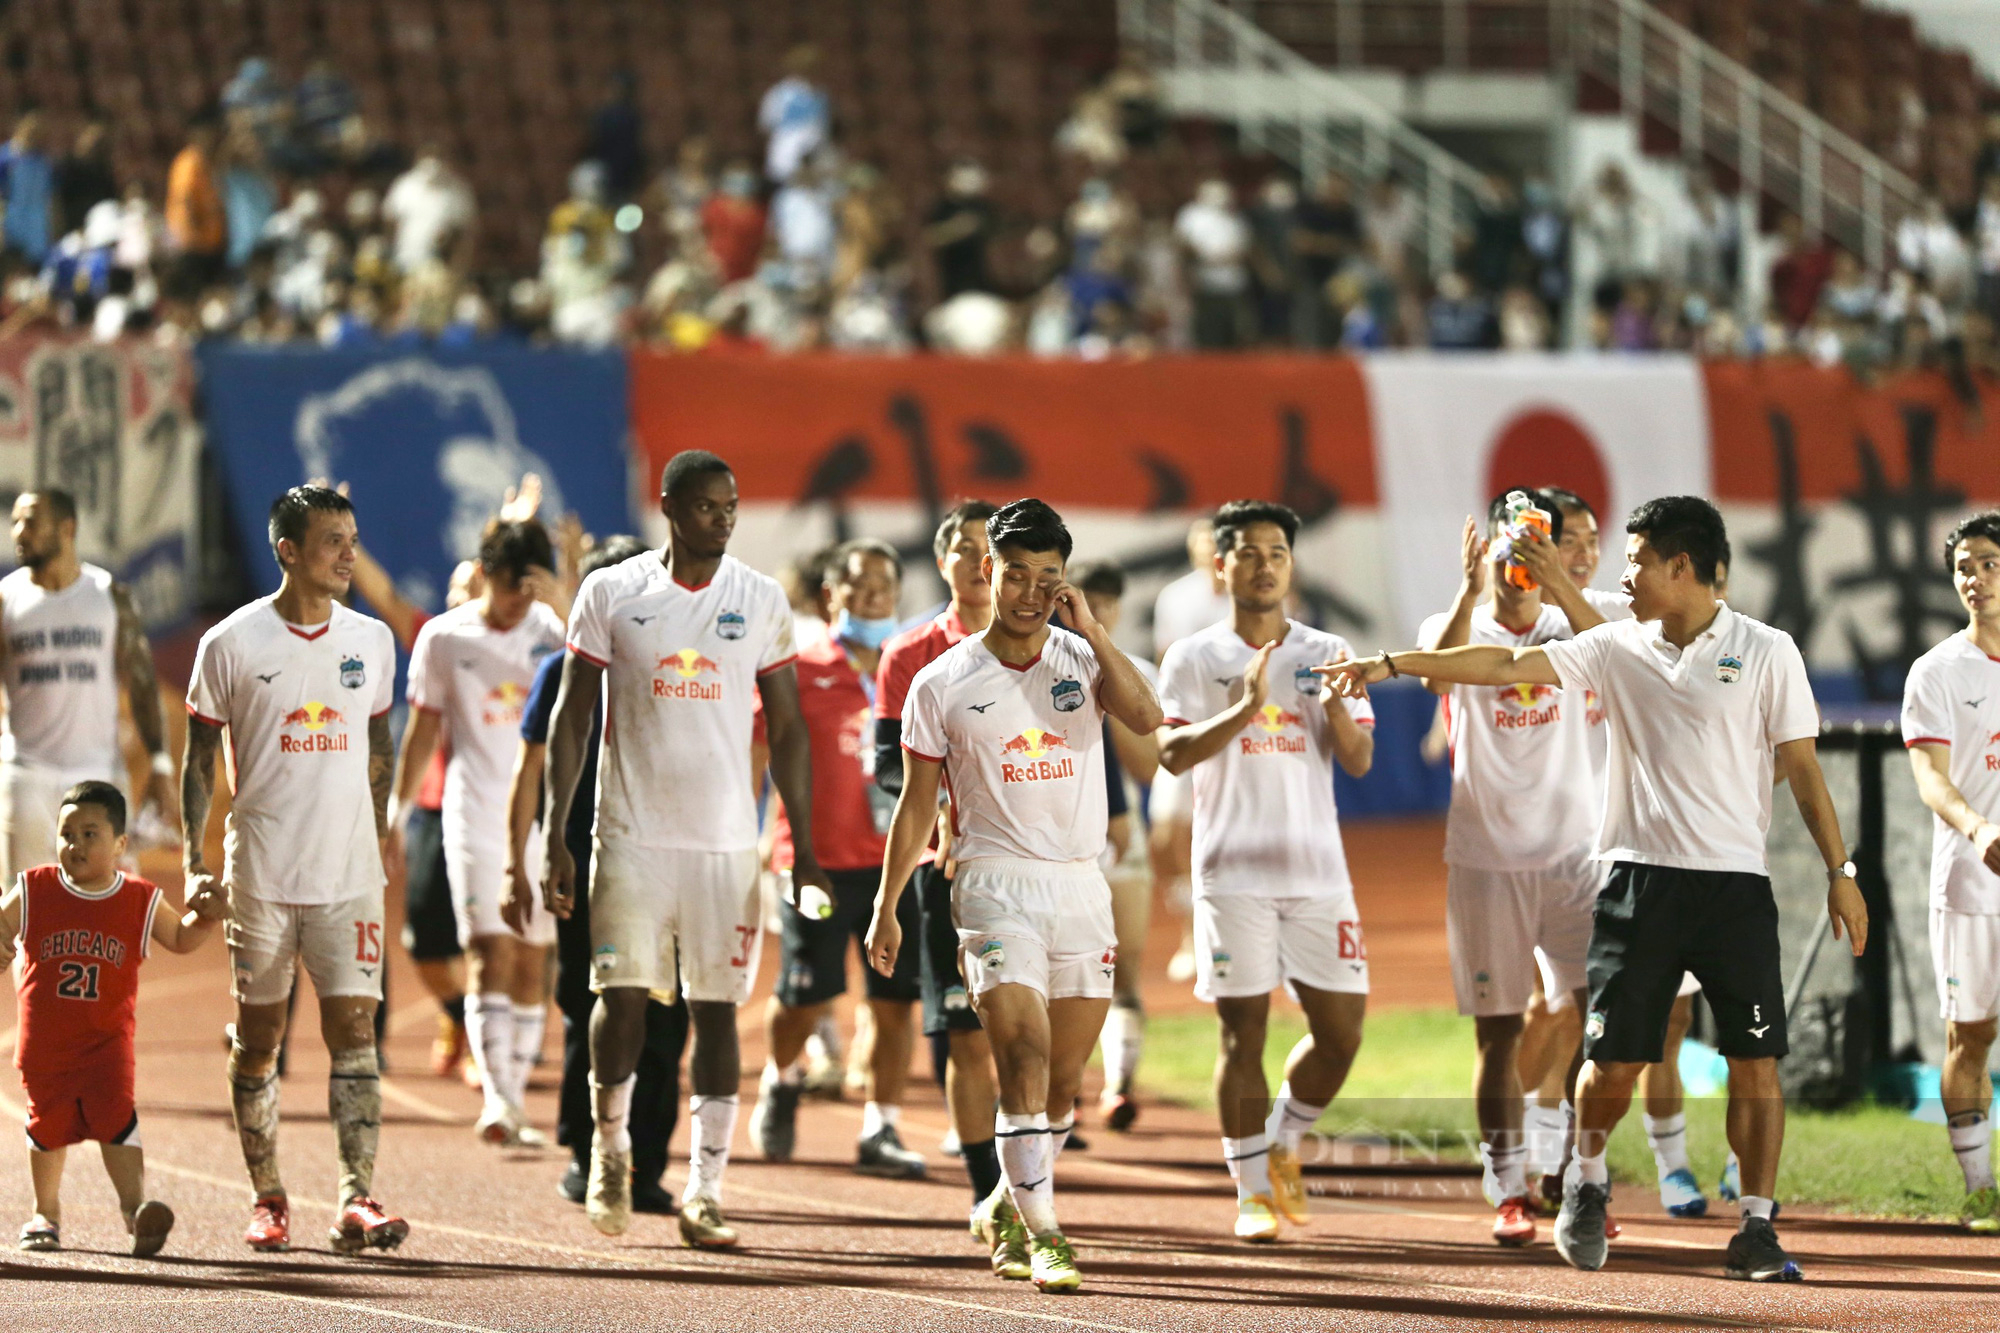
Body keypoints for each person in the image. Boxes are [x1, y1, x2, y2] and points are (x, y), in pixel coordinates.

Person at [1324, 496, 1865, 1282]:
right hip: (1636, 884)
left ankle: (1756, 1224)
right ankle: (1584, 1174)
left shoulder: (1768, 650)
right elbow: (1503, 666)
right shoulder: (1615, 646)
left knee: (1758, 1060)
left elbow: (1806, 769)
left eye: (1638, 558)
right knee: (1613, 1062)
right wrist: (1392, 664)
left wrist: (1840, 872)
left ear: (1682, 566)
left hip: (1736, 891)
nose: (1623, 571)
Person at [867, 498, 1164, 1292]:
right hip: (992, 886)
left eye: (1049, 578)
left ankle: (1005, 1197)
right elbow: (916, 804)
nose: (1031, 591)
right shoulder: (942, 682)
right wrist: (887, 902)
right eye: (1017, 573)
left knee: (1063, 1083)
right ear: (987, 571)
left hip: (1079, 884)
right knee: (1023, 1057)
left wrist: (1095, 632)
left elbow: (1148, 720)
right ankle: (1049, 1234)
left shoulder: (1081, 657)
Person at [540, 450, 828, 1248]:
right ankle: (608, 1148)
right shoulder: (612, 592)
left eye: (731, 506)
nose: (724, 519)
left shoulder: (761, 599)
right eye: (707, 507)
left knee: (717, 1010)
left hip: (724, 844)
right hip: (629, 833)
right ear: (669, 507)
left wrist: (802, 842)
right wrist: (557, 833)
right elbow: (571, 717)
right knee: (620, 996)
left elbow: (791, 729)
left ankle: (706, 1190)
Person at [181, 486, 406, 1254]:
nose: (349, 553)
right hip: (264, 874)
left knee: (355, 1030)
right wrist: (191, 859)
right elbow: (198, 759)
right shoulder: (231, 643)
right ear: (286, 550)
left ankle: (357, 1196)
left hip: (349, 877)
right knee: (259, 1037)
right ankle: (268, 1195)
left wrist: (376, 835)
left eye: (352, 535)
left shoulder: (371, 641)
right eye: (333, 540)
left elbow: (379, 746)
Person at [1155, 500, 1373, 1243]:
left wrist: (1339, 711)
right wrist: (1244, 707)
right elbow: (1173, 755)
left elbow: (1360, 758)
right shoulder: (1193, 656)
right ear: (1221, 566)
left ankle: (1282, 1135)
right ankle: (1251, 1188)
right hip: (1232, 872)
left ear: (1290, 563)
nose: (1264, 564)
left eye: (1277, 551)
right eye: (1247, 552)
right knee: (1240, 1034)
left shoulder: (1328, 648)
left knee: (1341, 1032)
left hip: (1318, 871)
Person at [1417, 494, 1601, 1247]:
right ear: (1488, 544)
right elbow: (1435, 678)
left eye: (1537, 542)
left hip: (1575, 853)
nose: (1521, 558)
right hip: (1487, 854)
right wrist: (1470, 588)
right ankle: (1508, 1187)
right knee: (1497, 1033)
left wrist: (1557, 581)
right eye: (1512, 541)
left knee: (1597, 1020)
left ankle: (1578, 1177)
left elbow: (1623, 651)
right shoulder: (1452, 624)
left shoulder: (1571, 622)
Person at [507, 535, 687, 1216]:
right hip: (586, 864)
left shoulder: (680, 668)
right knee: (590, 1010)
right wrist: (523, 857)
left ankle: (647, 1161)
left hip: (670, 863)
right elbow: (532, 772)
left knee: (667, 1018)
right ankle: (589, 1153)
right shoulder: (561, 671)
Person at [749, 539, 927, 1179]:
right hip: (815, 862)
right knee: (804, 994)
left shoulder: (915, 669)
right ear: (832, 596)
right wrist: (754, 831)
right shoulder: (794, 666)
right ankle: (780, 1075)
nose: (873, 596)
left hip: (898, 861)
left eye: (885, 586)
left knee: (893, 999)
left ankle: (882, 1127)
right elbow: (757, 751)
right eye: (859, 586)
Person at [871, 501, 1014, 1272]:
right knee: (965, 1037)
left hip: (1029, 872)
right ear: (944, 561)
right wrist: (935, 832)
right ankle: (991, 1191)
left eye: (989, 550)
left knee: (1032, 1038)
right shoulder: (909, 654)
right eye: (963, 549)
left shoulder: (1047, 647)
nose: (977, 563)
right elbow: (889, 771)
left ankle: (1026, 1174)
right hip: (944, 874)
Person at [393, 520, 567, 1145]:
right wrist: (397, 810)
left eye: (530, 587)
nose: (519, 599)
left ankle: (515, 1096)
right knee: (487, 950)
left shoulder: (554, 632)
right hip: (472, 814)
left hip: (544, 819)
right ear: (485, 573)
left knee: (530, 957)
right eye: (509, 584)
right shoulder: (444, 638)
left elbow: (600, 694)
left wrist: (565, 604)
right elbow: (421, 733)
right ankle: (496, 1098)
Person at [1, 781, 215, 1254]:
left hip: (106, 1044)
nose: (74, 844)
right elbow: (2, 925)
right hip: (45, 1047)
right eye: (67, 833)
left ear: (121, 844)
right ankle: (45, 1213)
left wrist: (207, 917)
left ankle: (136, 1211)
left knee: (117, 1118)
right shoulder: (35, 888)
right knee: (48, 1125)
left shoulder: (138, 898)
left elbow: (179, 939)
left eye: (90, 834)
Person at [1903, 510, 2000, 1234]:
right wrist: (1977, 828)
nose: (1977, 578)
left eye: (1991, 562)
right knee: (1971, 1036)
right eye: (1966, 565)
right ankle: (1981, 1191)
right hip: (1971, 885)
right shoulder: (1936, 672)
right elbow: (1930, 778)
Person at [1, 489, 177, 884]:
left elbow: (143, 683)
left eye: (30, 520)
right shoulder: (5, 600)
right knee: (23, 912)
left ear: (68, 528)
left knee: (109, 911)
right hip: (28, 776)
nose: (18, 532)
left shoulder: (110, 596)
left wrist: (160, 765)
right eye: (14, 522)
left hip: (100, 775)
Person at [1073, 563, 1159, 1131]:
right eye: (1086, 603)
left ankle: (1120, 1084)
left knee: (1123, 967)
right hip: (1058, 840)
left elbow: (1148, 765)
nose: (1096, 614)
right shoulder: (1034, 664)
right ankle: (1062, 1098)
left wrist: (1105, 683)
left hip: (1121, 838)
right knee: (1063, 973)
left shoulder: (1134, 672)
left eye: (1107, 604)